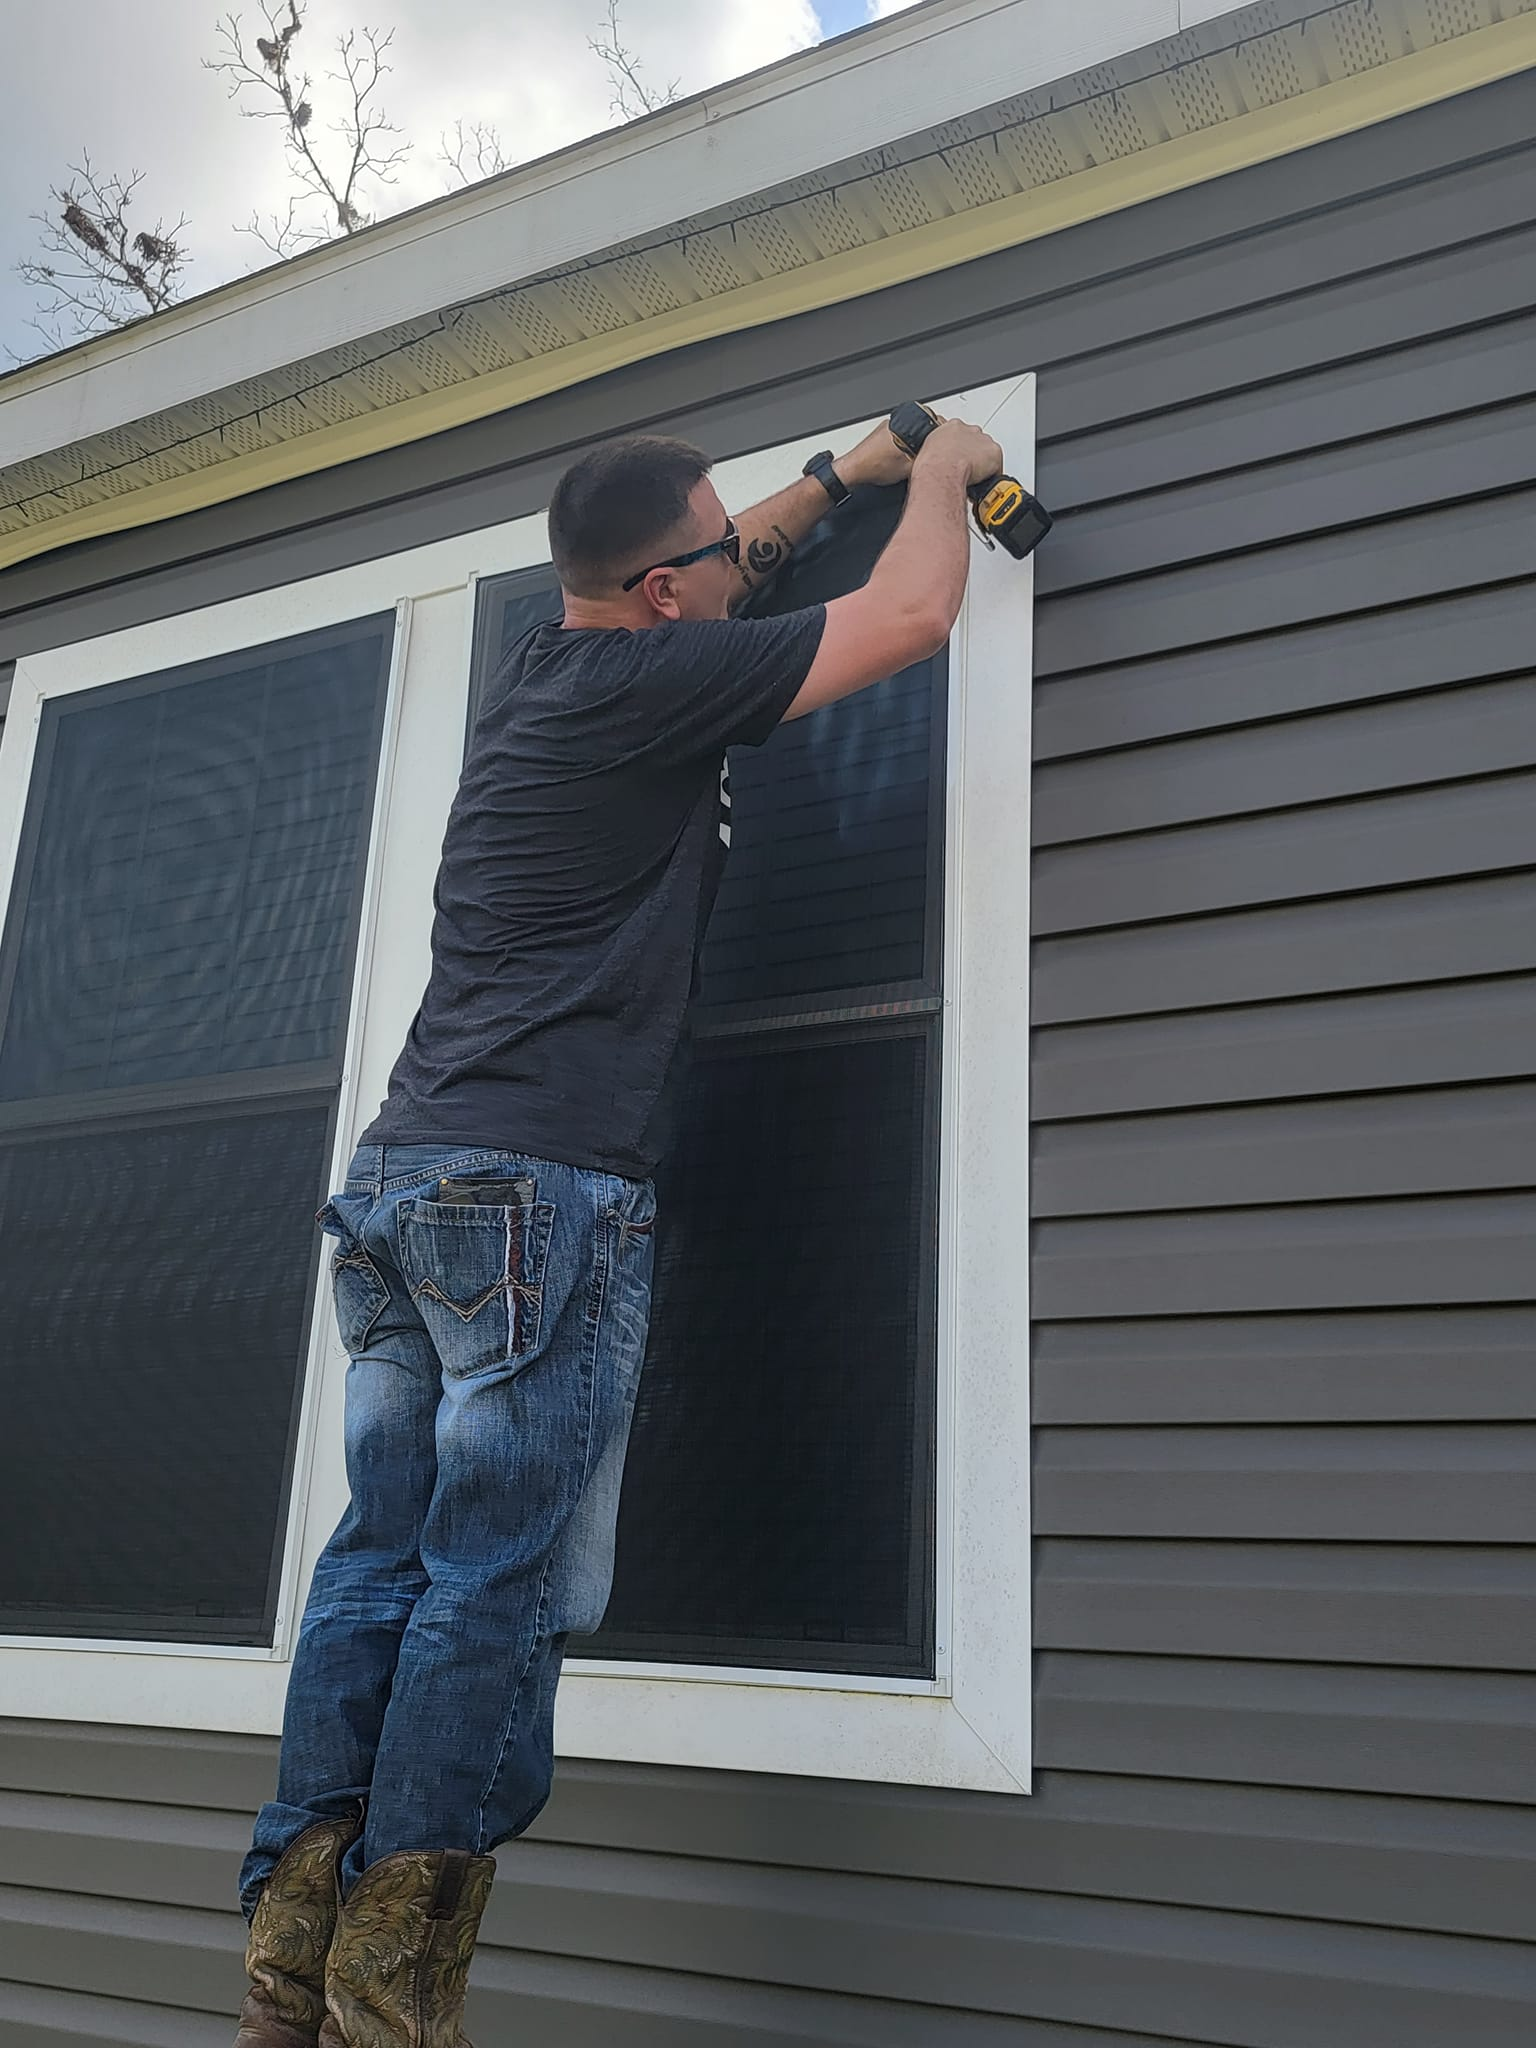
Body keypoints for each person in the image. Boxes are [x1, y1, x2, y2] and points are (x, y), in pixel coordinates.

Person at [232, 409, 1004, 2048]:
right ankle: (402, 1967)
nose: (740, 556)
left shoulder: (548, 664)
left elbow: (744, 560)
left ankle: (298, 1919)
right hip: (535, 1191)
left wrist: (845, 473)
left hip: (397, 1187)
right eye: (714, 549)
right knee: (489, 1584)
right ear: (661, 592)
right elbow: (915, 617)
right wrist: (943, 475)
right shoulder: (667, 684)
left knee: (378, 1556)